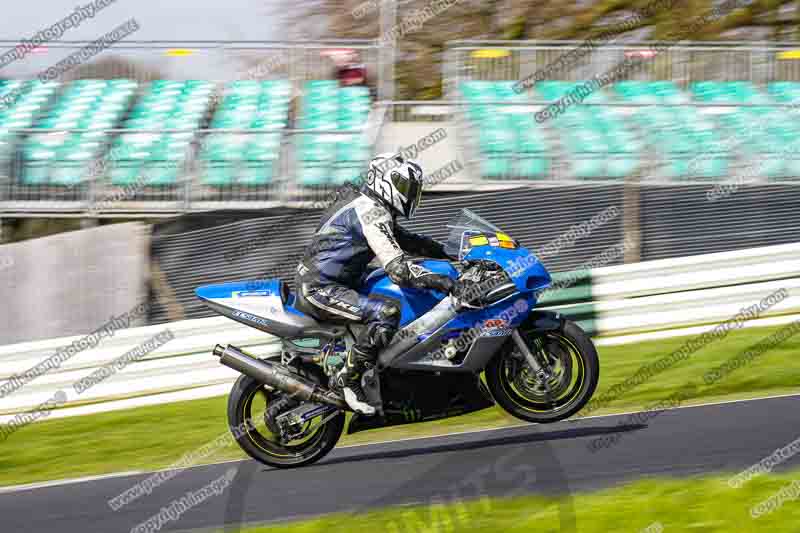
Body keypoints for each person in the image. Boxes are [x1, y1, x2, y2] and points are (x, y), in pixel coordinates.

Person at [293, 153, 458, 415]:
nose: (409, 194)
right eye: (404, 187)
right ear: (384, 182)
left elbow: (407, 241)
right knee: (387, 313)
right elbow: (398, 270)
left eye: (412, 189)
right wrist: (443, 282)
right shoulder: (370, 212)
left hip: (340, 280)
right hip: (319, 289)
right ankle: (348, 378)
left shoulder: (370, 205)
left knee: (388, 292)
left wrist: (452, 251)